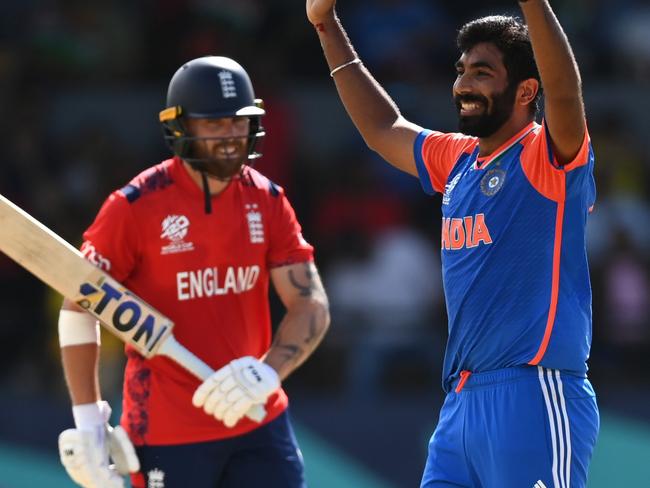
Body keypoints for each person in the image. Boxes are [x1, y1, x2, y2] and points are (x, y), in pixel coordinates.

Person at [306, 0, 598, 487]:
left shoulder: (546, 157)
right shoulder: (459, 161)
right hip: (460, 404)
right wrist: (325, 24)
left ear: (526, 89)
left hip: (534, 391)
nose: (462, 84)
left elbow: (565, 94)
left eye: (482, 72)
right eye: (460, 71)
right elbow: (383, 130)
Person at [55, 56, 330, 488]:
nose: (229, 137)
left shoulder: (268, 199)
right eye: (214, 124)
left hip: (257, 419)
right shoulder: (134, 207)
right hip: (166, 432)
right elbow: (79, 308)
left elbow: (310, 303)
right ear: (180, 127)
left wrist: (268, 372)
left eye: (238, 123)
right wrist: (87, 421)